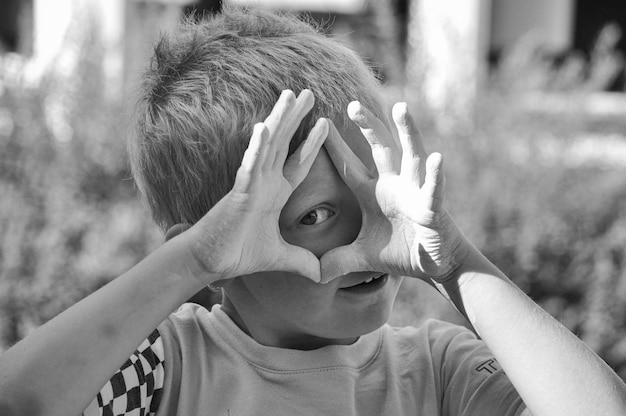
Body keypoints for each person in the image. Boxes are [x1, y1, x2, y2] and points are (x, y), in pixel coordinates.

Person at [0, 6, 625, 416]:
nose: (370, 235)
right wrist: (186, 264)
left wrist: (455, 263)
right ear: (220, 247)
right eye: (315, 216)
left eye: (379, 193)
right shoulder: (166, 372)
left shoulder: (440, 373)